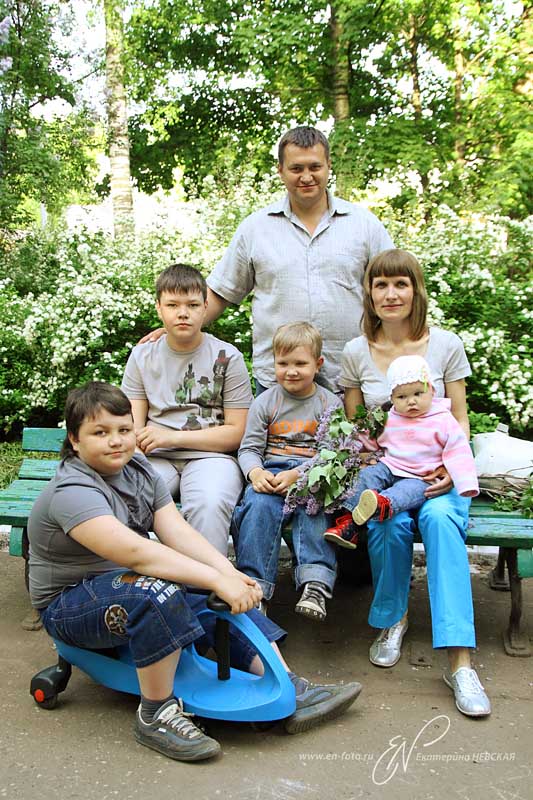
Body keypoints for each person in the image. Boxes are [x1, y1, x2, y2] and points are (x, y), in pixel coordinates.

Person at [27, 382, 363, 763]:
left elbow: (177, 532)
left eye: (124, 429)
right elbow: (138, 553)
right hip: (69, 604)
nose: (116, 441)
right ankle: (155, 713)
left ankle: (288, 686)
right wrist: (215, 578)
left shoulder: (138, 469)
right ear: (74, 439)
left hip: (124, 581)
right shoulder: (72, 489)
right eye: (100, 433)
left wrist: (227, 573)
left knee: (211, 587)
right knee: (158, 591)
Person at [327, 248, 491, 718]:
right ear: (369, 293)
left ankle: (459, 661)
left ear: (416, 290)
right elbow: (359, 430)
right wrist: (379, 470)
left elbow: (459, 420)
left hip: (440, 475)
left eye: (401, 283)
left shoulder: (446, 345)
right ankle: (393, 618)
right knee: (386, 521)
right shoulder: (356, 352)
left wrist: (451, 470)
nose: (391, 293)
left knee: (439, 521)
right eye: (381, 284)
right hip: (393, 472)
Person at [140, 126, 393, 392]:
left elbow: (395, 290)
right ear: (280, 170)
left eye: (315, 167)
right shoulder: (255, 229)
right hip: (278, 382)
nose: (307, 176)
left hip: (350, 378)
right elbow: (222, 291)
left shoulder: (365, 226)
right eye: (296, 168)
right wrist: (179, 326)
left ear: (329, 166)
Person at [122, 263, 253, 555]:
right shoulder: (142, 356)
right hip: (155, 457)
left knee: (209, 501)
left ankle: (209, 580)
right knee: (131, 496)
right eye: (172, 305)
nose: (183, 313)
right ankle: (133, 577)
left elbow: (237, 432)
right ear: (159, 308)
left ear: (205, 308)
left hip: (212, 458)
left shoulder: (228, 357)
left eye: (192, 305)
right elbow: (131, 427)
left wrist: (172, 437)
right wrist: (137, 457)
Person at [232, 322, 341, 622]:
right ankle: (255, 588)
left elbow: (332, 454)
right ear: (273, 363)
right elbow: (249, 448)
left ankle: (315, 583)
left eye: (300, 364)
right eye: (283, 363)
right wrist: (255, 473)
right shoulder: (265, 402)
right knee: (257, 507)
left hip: (312, 475)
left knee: (315, 508)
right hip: (272, 474)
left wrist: (300, 476)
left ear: (318, 364)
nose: (291, 371)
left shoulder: (329, 403)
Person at [324, 354, 479, 547]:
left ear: (432, 391)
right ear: (392, 398)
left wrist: (466, 484)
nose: (411, 401)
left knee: (405, 492)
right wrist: (352, 444)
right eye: (402, 397)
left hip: (421, 476)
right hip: (390, 467)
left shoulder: (443, 420)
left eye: (418, 394)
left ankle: (382, 506)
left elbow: (459, 452)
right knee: (366, 477)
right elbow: (371, 442)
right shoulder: (390, 418)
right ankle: (348, 522)